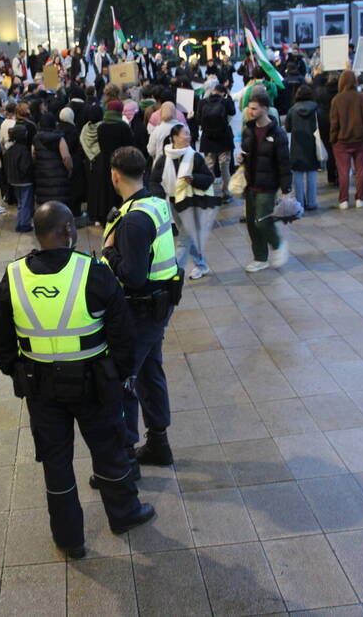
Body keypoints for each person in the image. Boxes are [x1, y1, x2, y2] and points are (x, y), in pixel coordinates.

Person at [0, 201, 155, 558]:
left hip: (41, 389)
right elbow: (124, 336)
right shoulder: (93, 272)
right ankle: (124, 514)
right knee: (109, 453)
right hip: (95, 386)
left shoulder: (14, 276)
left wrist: (21, 371)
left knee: (56, 462)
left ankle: (69, 539)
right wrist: (119, 374)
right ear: (67, 231)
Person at [101, 146, 180, 469]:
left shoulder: (133, 220)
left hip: (139, 311)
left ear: (115, 175)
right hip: (158, 306)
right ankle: (159, 444)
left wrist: (109, 252)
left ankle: (125, 458)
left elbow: (132, 277)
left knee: (123, 381)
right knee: (149, 373)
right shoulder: (156, 204)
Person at [149, 124, 218, 279]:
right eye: (185, 134)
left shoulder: (194, 157)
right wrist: (159, 197)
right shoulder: (164, 158)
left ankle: (172, 274)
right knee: (189, 238)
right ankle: (202, 265)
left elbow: (209, 178)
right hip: (174, 203)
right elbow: (154, 181)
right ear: (175, 137)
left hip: (191, 204)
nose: (189, 136)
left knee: (183, 241)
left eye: (189, 133)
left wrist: (194, 179)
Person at [239, 92, 292, 272]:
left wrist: (286, 189)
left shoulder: (278, 134)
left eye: (254, 108)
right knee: (252, 224)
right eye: (249, 108)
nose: (250, 111)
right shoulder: (249, 129)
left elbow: (284, 163)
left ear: (265, 109)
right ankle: (260, 258)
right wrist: (242, 158)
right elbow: (247, 152)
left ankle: (277, 244)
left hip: (268, 185)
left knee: (262, 221)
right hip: (250, 183)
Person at [329, 70, 363, 209]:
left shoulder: (337, 99)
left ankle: (343, 200)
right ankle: (360, 198)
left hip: (341, 141)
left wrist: (333, 138)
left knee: (343, 171)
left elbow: (334, 122)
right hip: (360, 139)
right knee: (361, 170)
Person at [197, 80, 236, 201]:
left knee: (209, 166)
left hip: (208, 139)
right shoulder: (225, 101)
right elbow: (233, 111)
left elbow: (198, 120)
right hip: (224, 139)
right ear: (223, 93)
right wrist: (228, 96)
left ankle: (209, 191)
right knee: (225, 166)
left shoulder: (203, 102)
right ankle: (226, 193)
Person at [285, 84, 321, 211]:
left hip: (297, 146)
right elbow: (321, 124)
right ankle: (312, 202)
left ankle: (299, 202)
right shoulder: (316, 108)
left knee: (298, 177)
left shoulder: (292, 110)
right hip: (312, 145)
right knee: (312, 174)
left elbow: (288, 128)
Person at [32, 112, 73, 207]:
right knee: (59, 207)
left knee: (45, 207)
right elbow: (66, 157)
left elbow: (33, 155)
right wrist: (69, 169)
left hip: (42, 176)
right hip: (59, 177)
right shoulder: (59, 138)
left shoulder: (36, 138)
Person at [3, 125, 34, 232]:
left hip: (13, 180)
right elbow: (25, 167)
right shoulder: (24, 149)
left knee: (21, 203)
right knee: (25, 202)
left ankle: (20, 222)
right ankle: (24, 224)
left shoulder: (10, 149)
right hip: (25, 180)